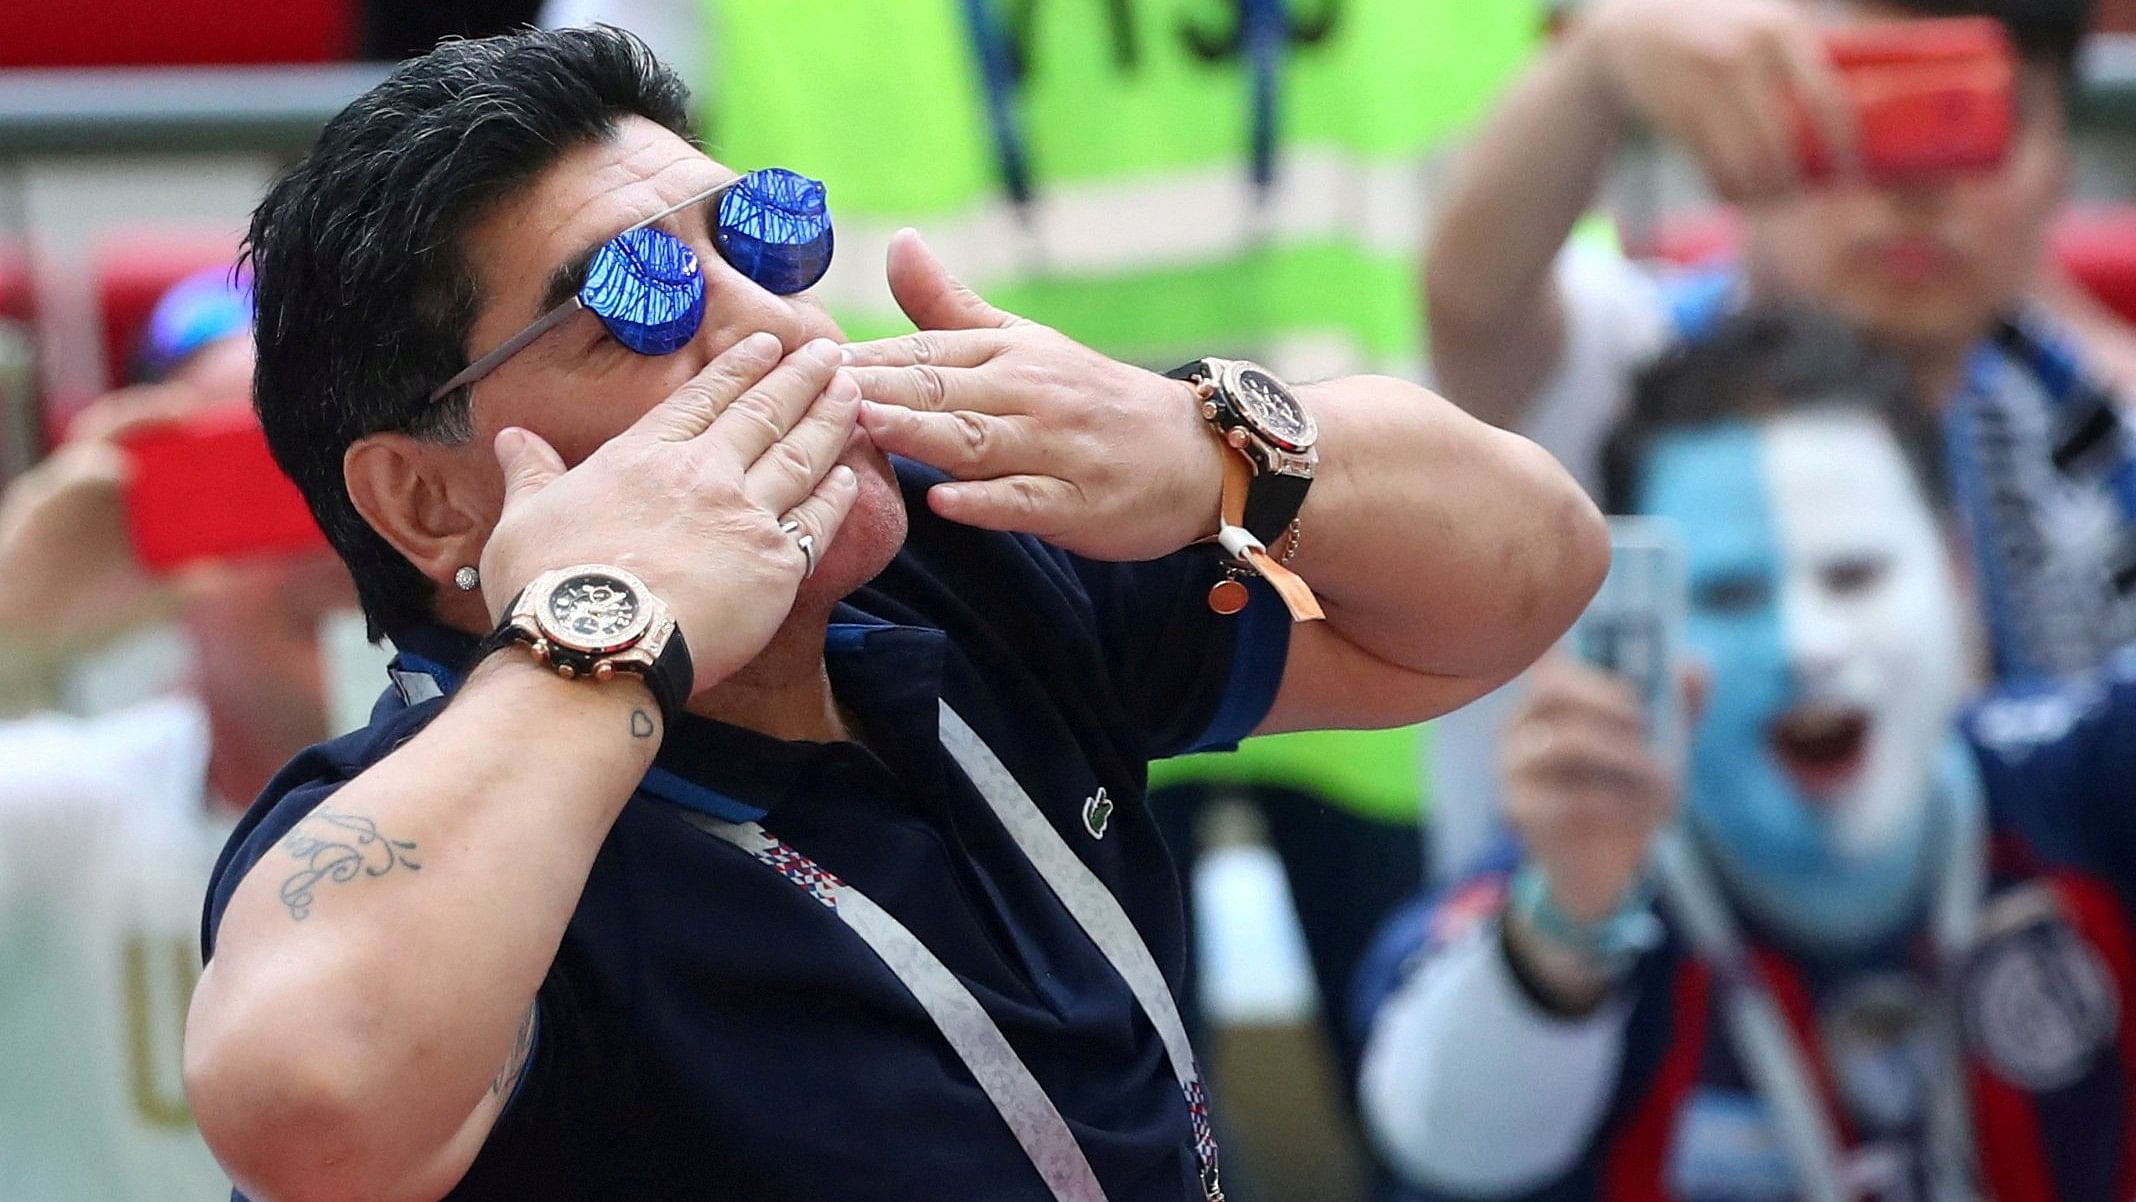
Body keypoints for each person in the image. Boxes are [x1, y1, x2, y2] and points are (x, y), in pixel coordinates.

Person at [178, 27, 1606, 1202]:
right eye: (644, 298)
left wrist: (1210, 441)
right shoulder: (421, 813)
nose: (787, 326)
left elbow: (1530, 569)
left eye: (767, 237)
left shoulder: (956, 565)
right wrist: (609, 619)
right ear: (431, 503)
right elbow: (308, 1106)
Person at [1355, 308, 2136, 1202]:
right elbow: (1444, 1151)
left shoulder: (2089, 782)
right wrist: (1568, 927)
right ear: (1638, 626)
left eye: (1855, 576)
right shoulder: (1567, 888)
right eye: (1731, 594)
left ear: (1959, 582)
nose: (1806, 644)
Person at [1423, 0, 2123, 876]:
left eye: (1964, 117)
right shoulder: (1622, 370)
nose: (1914, 184)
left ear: (2056, 159)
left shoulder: (2100, 442)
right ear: (1734, 134)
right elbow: (1469, 298)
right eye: (1856, 105)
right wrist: (1598, 64)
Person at [0, 270, 347, 1201]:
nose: (333, 537)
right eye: (256, 479)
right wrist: (10, 627)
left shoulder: (593, 797)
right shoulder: (56, 819)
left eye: (357, 457)